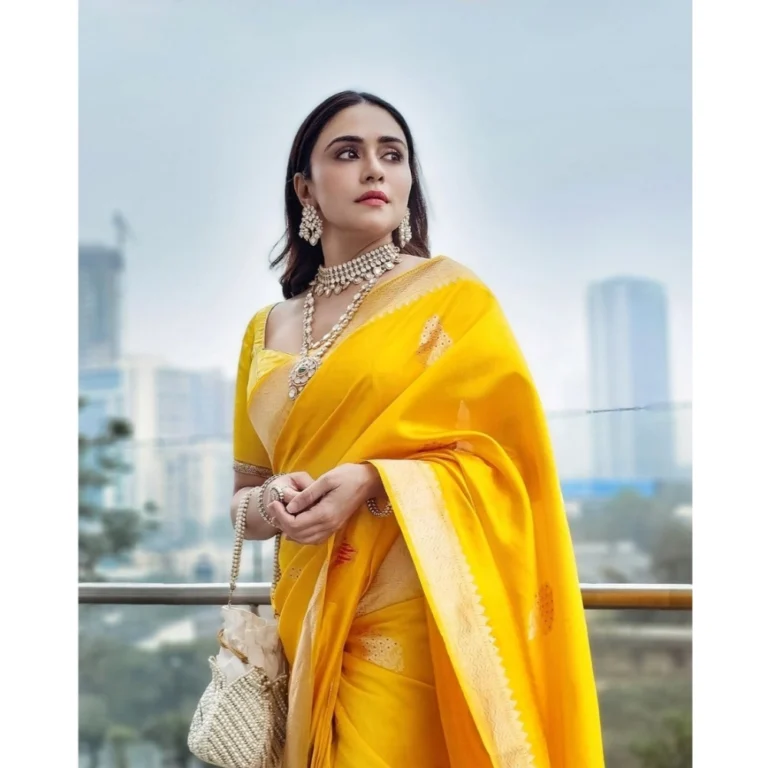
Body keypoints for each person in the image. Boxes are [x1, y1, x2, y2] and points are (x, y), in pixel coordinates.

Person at [230, 90, 605, 768]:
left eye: (393, 154)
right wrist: (272, 501)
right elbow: (243, 501)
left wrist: (372, 479)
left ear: (408, 181)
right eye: (348, 153)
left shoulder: (452, 302)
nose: (374, 169)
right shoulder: (265, 330)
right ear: (305, 189)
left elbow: (507, 462)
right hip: (304, 616)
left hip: (411, 617)